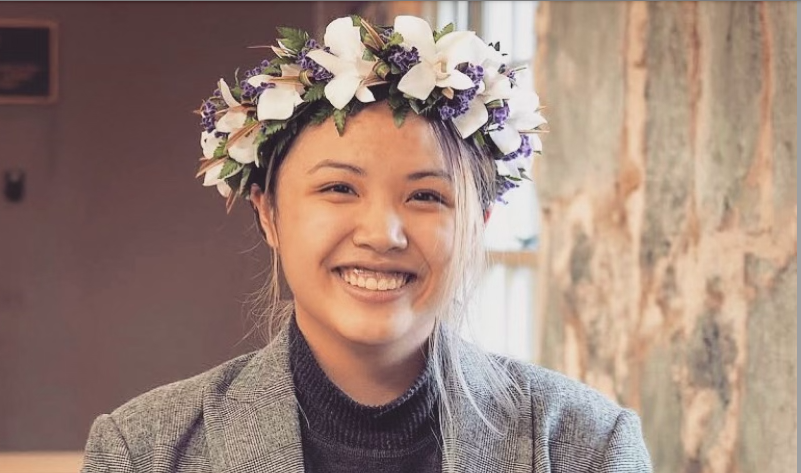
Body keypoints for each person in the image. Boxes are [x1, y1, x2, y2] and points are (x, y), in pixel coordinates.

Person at [81, 15, 652, 473]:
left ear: (479, 221)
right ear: (270, 214)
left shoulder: (585, 445)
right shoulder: (144, 451)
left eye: (426, 197)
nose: (382, 233)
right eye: (338, 188)